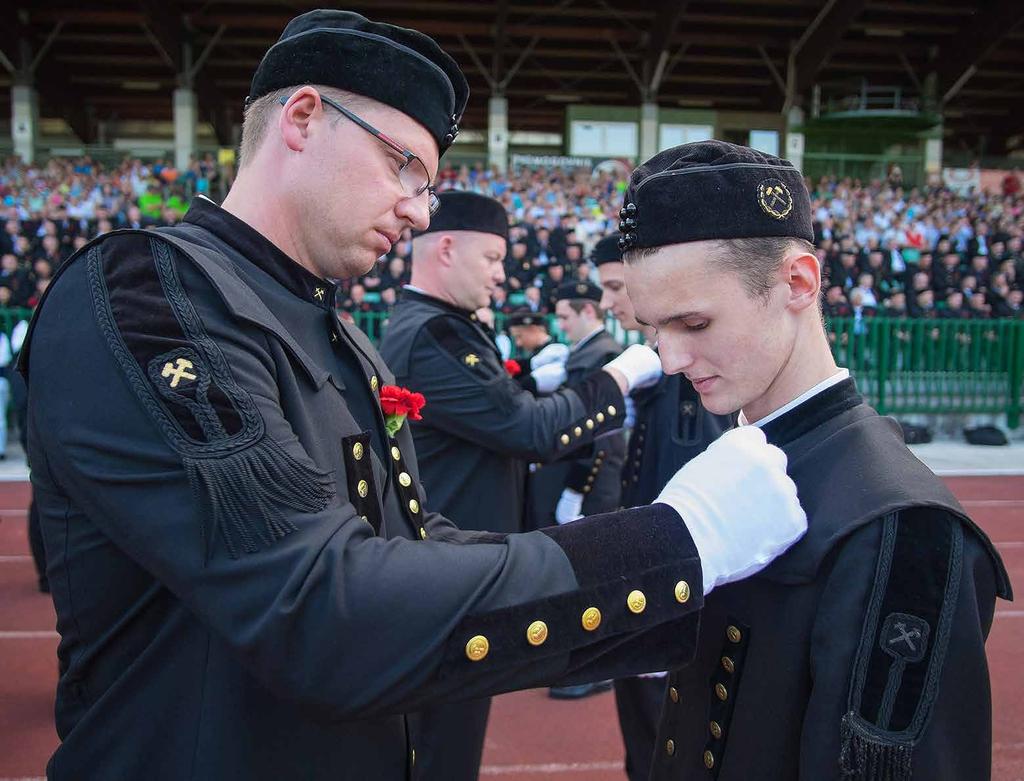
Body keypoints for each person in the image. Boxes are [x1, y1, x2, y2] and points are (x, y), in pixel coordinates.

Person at [22, 13, 809, 780]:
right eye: (405, 165)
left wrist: (674, 587)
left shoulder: (339, 331)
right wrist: (676, 543)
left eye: (428, 184)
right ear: (302, 118)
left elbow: (413, 542)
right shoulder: (148, 296)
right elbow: (315, 605)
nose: (420, 208)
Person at [613, 140, 1012, 780]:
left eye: (695, 324)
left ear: (798, 282)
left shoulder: (902, 528)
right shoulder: (742, 454)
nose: (668, 361)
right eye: (653, 330)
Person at [593, 232, 734, 781]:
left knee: (666, 737)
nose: (608, 304)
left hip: (667, 580)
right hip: (647, 567)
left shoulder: (687, 375)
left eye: (614, 288)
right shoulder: (650, 364)